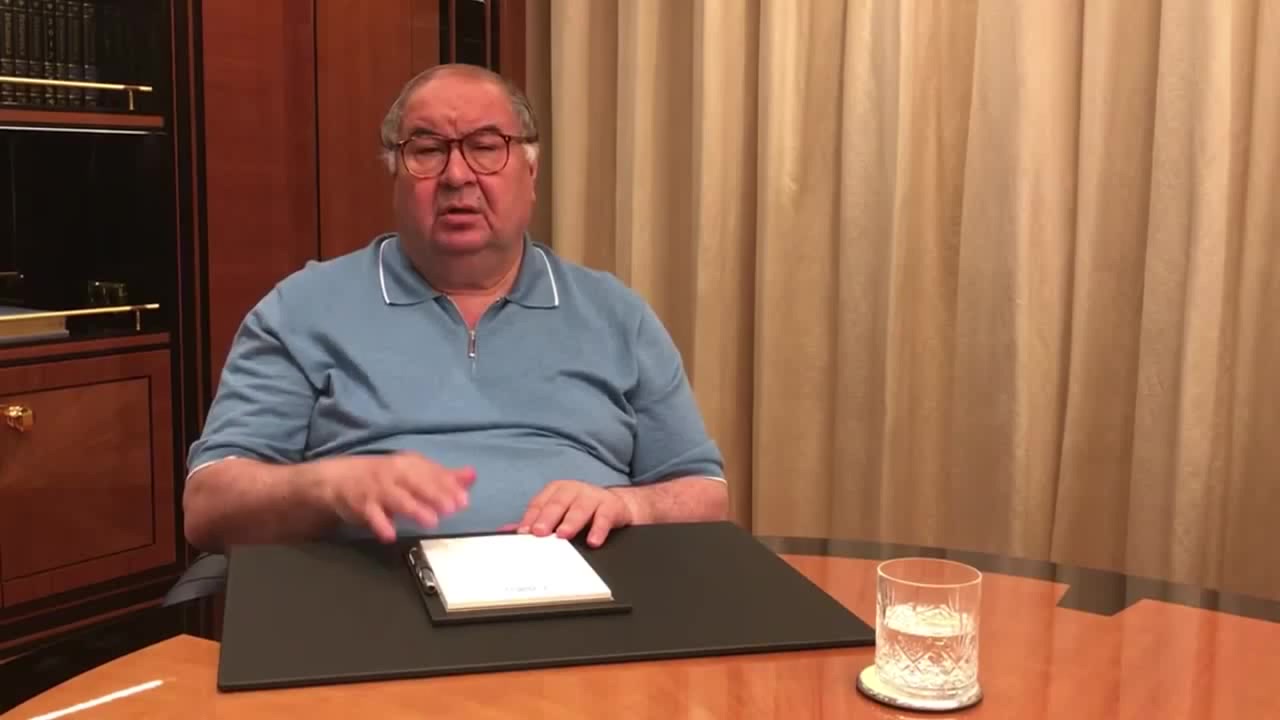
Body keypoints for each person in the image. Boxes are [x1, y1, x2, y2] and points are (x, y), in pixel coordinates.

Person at [182, 64, 728, 553]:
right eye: (427, 150)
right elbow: (207, 507)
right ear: (395, 173)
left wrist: (629, 505)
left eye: (486, 147)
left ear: (531, 173)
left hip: (585, 588)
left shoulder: (616, 314)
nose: (457, 176)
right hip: (373, 596)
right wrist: (326, 485)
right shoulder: (301, 309)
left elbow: (703, 493)